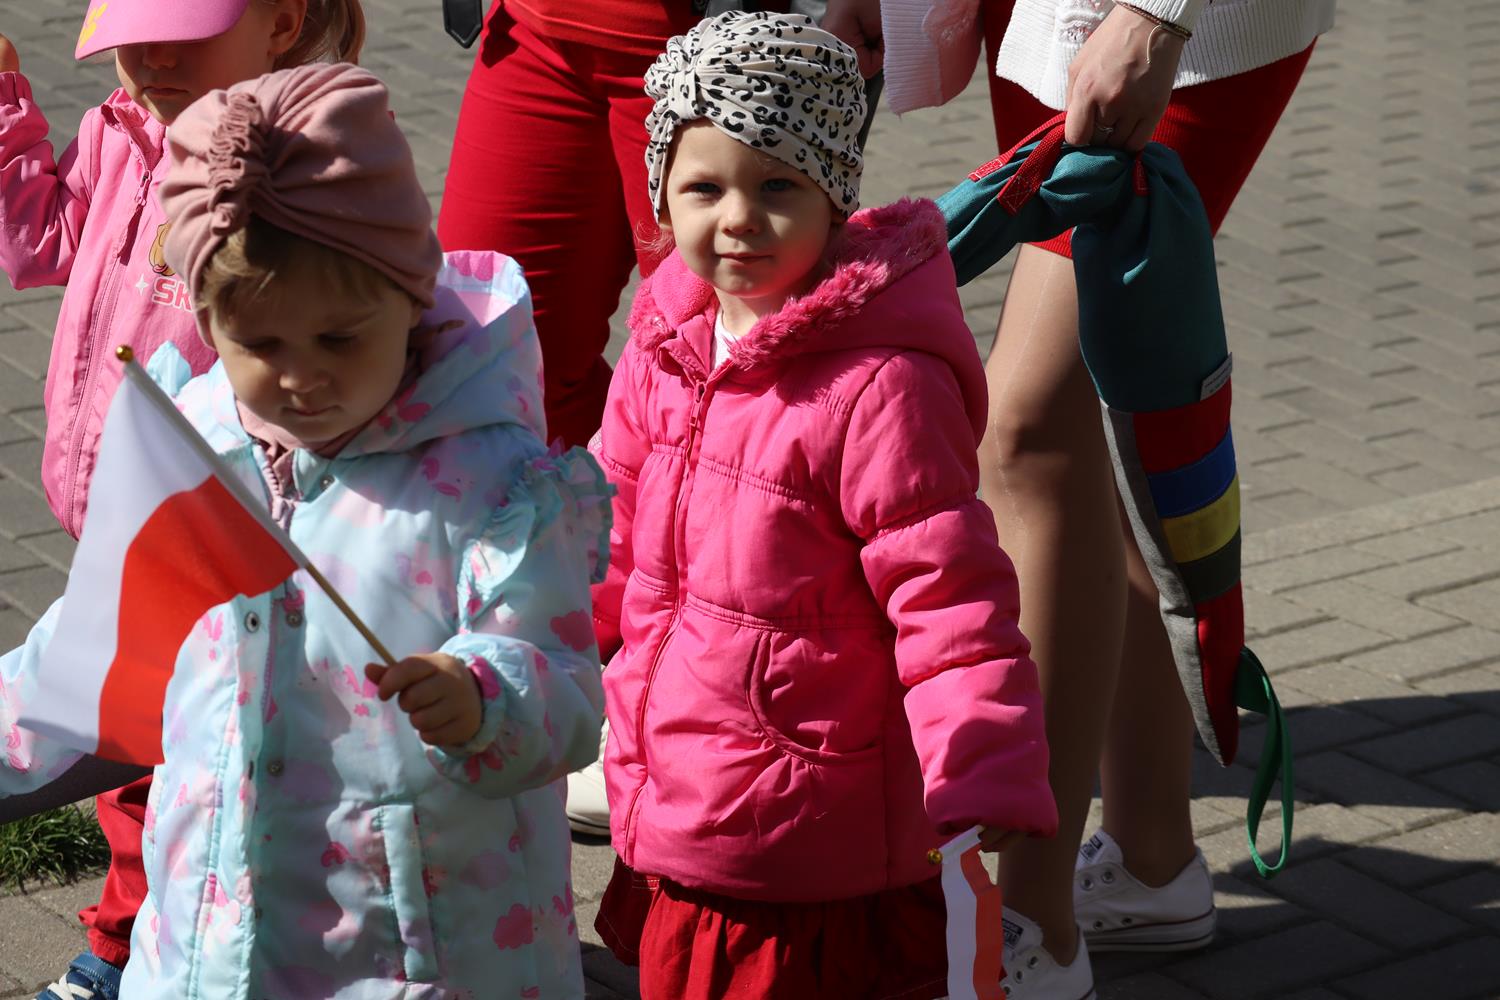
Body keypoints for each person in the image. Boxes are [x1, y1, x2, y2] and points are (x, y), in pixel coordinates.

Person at [0, 62, 612, 997]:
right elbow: (85, 649)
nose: (299, 378)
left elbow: (564, 687)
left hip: (417, 959)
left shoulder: (491, 480)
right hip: (204, 944)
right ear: (209, 320)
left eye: (339, 338)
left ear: (411, 295)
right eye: (260, 344)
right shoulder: (190, 449)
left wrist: (485, 694)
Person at [823, 0, 1335, 996]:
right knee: (1092, 424)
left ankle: (1032, 927)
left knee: (1024, 434)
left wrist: (1156, 12)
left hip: (1166, 24)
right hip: (1036, 16)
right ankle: (1151, 859)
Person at [587, 13, 1057, 999]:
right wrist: (530, 655)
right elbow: (607, 535)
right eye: (705, 188)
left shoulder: (879, 385)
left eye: (778, 186)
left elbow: (949, 595)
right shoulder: (665, 342)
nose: (739, 219)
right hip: (677, 795)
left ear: (836, 196)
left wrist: (983, 761)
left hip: (810, 828)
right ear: (661, 193)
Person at [0, 3, 365, 997]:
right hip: (116, 516)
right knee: (135, 749)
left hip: (213, 527)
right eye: (133, 28)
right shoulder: (120, 129)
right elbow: (38, 245)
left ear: (282, 21)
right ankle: (146, 944)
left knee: (174, 760)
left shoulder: (287, 171)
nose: (152, 56)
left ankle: (123, 952)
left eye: (186, 28)